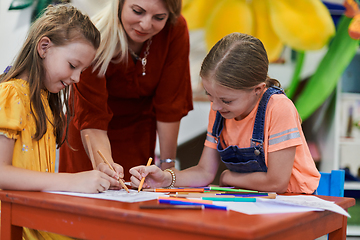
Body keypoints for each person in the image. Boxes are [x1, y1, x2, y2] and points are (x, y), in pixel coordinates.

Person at [129, 32, 321, 194]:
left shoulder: (279, 108)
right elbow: (204, 172)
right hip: (256, 199)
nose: (215, 107)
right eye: (210, 96)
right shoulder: (221, 110)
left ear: (258, 89)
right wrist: (164, 178)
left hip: (296, 200)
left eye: (226, 100)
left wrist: (229, 176)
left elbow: (276, 183)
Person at [0, 4, 121, 239]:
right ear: (44, 47)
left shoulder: (45, 100)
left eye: (81, 71)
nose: (76, 78)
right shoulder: (10, 95)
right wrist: (73, 181)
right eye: (73, 66)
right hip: (14, 227)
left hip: (36, 223)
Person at [59, 0, 193, 180]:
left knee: (136, 197)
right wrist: (105, 167)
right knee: (97, 191)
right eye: (138, 11)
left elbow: (170, 105)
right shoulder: (94, 39)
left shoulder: (174, 30)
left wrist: (168, 171)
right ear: (120, 4)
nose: (146, 25)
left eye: (159, 17)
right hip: (91, 137)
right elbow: (92, 118)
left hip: (138, 136)